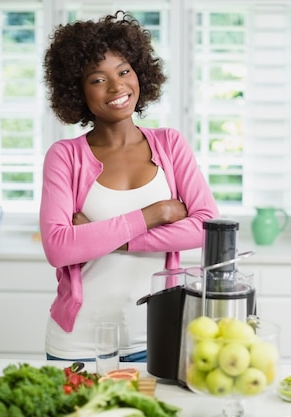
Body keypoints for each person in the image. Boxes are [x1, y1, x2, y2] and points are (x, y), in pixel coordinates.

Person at [40, 11, 219, 363]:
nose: (117, 86)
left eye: (124, 71)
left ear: (140, 72)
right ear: (76, 89)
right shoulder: (65, 156)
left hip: (156, 337)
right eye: (97, 79)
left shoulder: (170, 144)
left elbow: (205, 226)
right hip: (77, 345)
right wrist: (157, 214)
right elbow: (59, 248)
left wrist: (103, 238)